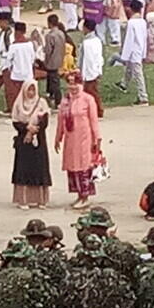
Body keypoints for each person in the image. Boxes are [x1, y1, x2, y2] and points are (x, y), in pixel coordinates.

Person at [55, 75, 102, 210]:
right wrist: (58, 137)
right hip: (70, 139)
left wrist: (97, 139)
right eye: (70, 84)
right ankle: (78, 195)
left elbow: (94, 121)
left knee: (83, 166)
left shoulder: (88, 99)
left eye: (75, 84)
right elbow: (61, 121)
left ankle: (85, 196)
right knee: (72, 166)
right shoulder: (65, 100)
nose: (73, 87)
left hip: (84, 139)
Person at [11, 81, 52, 208]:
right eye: (29, 90)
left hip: (39, 140)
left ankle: (41, 199)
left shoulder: (41, 103)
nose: (31, 93)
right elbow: (16, 121)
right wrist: (27, 129)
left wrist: (35, 130)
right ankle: (23, 199)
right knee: (24, 167)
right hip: (24, 141)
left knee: (39, 166)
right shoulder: (19, 103)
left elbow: (45, 121)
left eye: (33, 90)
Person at [116, 0, 148, 104]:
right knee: (129, 68)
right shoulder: (143, 22)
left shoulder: (131, 23)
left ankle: (143, 96)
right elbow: (144, 37)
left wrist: (125, 54)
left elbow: (129, 39)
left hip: (133, 50)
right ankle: (124, 83)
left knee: (138, 73)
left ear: (130, 9)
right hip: (140, 48)